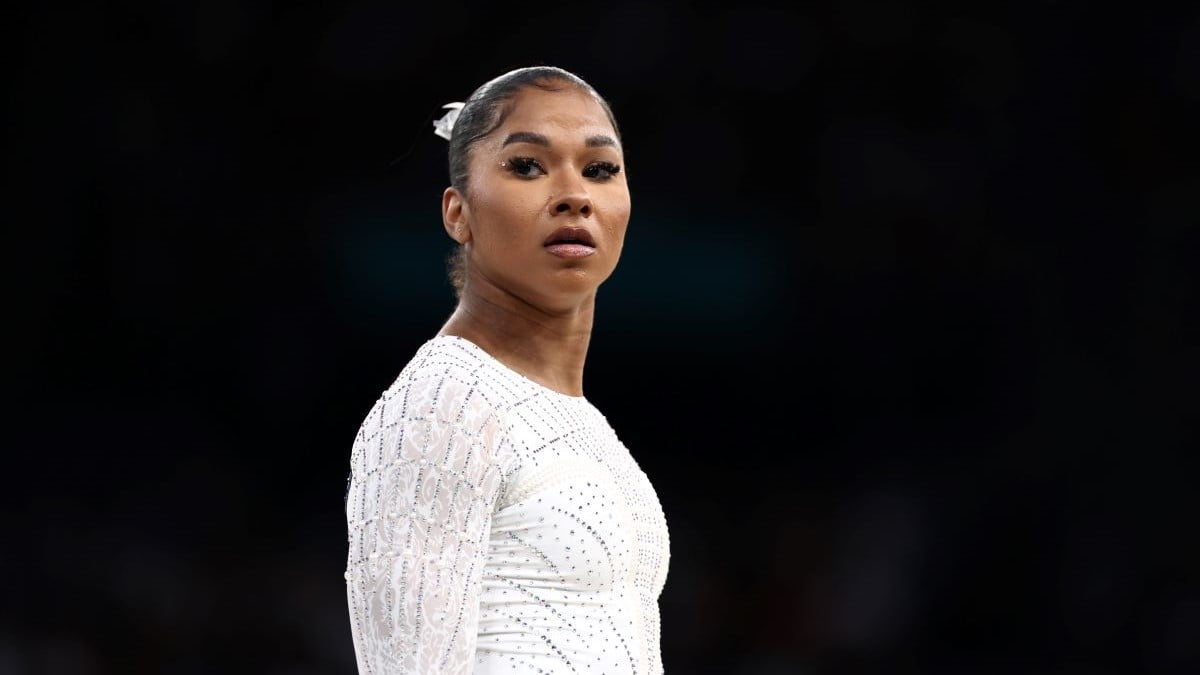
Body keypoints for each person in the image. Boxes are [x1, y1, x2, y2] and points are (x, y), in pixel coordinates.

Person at [343, 66, 671, 674]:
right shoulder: (446, 402)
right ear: (458, 213)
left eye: (599, 170)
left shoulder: (585, 423)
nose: (575, 194)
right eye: (527, 166)